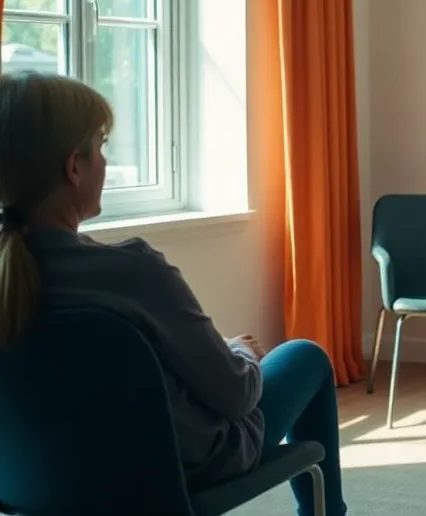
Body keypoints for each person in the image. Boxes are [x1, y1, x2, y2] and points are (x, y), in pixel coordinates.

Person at [0, 72, 346, 516]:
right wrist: (241, 354)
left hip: (32, 484)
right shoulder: (134, 273)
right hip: (179, 474)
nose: (105, 163)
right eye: (101, 147)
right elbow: (237, 396)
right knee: (305, 356)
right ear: (74, 166)